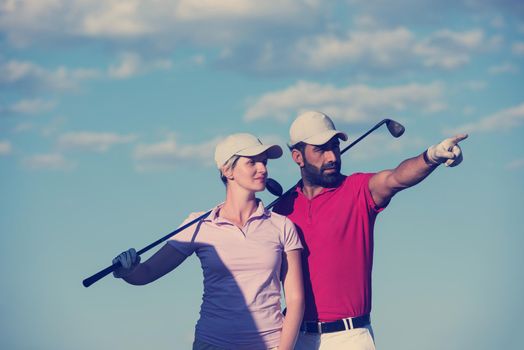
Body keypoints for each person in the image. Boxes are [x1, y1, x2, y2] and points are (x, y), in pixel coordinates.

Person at [272, 111, 468, 350]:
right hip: (296, 338)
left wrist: (432, 156)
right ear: (297, 157)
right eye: (321, 150)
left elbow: (396, 178)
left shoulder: (358, 190)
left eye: (335, 147)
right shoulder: (282, 209)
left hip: (350, 338)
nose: (332, 156)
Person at [112, 133, 305, 350]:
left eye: (264, 162)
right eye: (252, 162)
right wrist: (128, 269)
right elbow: (146, 273)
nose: (262, 168)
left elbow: (296, 299)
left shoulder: (281, 225)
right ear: (227, 170)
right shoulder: (198, 224)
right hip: (213, 344)